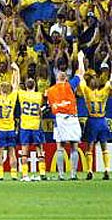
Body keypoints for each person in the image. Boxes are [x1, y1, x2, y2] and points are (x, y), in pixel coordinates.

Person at [45, 50, 85, 180]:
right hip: (72, 118)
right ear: (66, 78)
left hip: (60, 119)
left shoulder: (49, 91)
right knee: (74, 146)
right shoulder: (70, 86)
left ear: (56, 79)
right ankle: (73, 174)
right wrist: (80, 59)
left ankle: (61, 174)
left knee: (60, 147)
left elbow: (48, 104)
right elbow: (81, 73)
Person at [0, 61, 20, 181]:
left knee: (0, 152)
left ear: (0, 89)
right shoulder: (12, 97)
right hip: (11, 128)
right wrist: (16, 70)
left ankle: (0, 174)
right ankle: (14, 174)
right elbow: (16, 85)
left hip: (0, 129)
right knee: (12, 152)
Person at [78, 71, 111, 180]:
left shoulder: (87, 92)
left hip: (92, 121)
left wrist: (81, 68)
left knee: (89, 147)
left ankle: (89, 170)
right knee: (104, 146)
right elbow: (109, 83)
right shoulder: (104, 91)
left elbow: (81, 82)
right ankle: (107, 169)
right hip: (102, 121)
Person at [18, 78, 48, 181]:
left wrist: (16, 72)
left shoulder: (22, 94)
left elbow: (15, 85)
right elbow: (41, 109)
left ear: (26, 86)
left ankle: (25, 175)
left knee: (24, 151)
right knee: (39, 150)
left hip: (25, 126)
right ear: (35, 86)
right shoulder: (39, 95)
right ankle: (42, 173)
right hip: (36, 125)